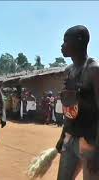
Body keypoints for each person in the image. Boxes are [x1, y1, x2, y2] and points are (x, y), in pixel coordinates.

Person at [56, 25, 99, 179]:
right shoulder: (68, 70)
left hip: (90, 142)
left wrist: (97, 151)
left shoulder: (94, 70)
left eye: (66, 41)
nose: (62, 45)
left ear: (79, 41)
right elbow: (70, 108)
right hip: (70, 137)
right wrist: (63, 137)